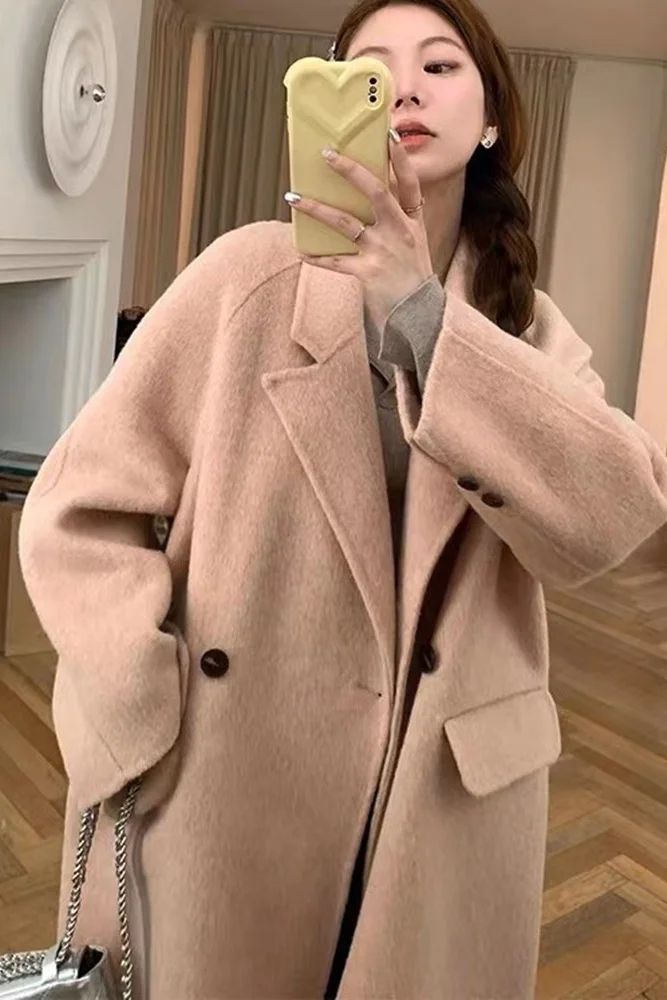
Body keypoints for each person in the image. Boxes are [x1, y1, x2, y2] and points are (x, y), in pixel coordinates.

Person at [17, 0, 667, 997]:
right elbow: (75, 506)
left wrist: (422, 315)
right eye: (370, 70)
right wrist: (139, 696)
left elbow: (620, 512)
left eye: (440, 66)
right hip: (232, 769)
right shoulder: (245, 277)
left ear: (491, 118)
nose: (405, 88)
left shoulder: (526, 329)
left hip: (439, 791)